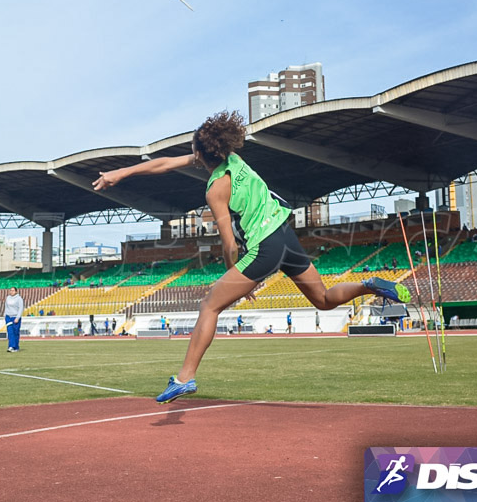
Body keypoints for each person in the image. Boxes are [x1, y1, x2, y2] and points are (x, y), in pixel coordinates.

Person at [93, 110, 410, 404]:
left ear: (201, 152)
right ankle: (370, 285)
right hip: (286, 236)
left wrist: (240, 274)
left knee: (209, 305)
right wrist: (121, 172)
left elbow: (229, 244)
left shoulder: (216, 189)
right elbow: (163, 164)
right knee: (324, 299)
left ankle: (185, 377)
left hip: (264, 247)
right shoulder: (234, 159)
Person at [4, 287, 23, 352]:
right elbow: (6, 307)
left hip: (15, 317)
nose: (11, 292)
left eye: (13, 290)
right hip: (8, 317)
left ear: (16, 291)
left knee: (16, 332)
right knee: (10, 331)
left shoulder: (19, 299)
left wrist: (17, 317)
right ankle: (11, 346)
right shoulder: (8, 298)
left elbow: (21, 308)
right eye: (10, 290)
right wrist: (5, 315)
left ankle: (16, 347)